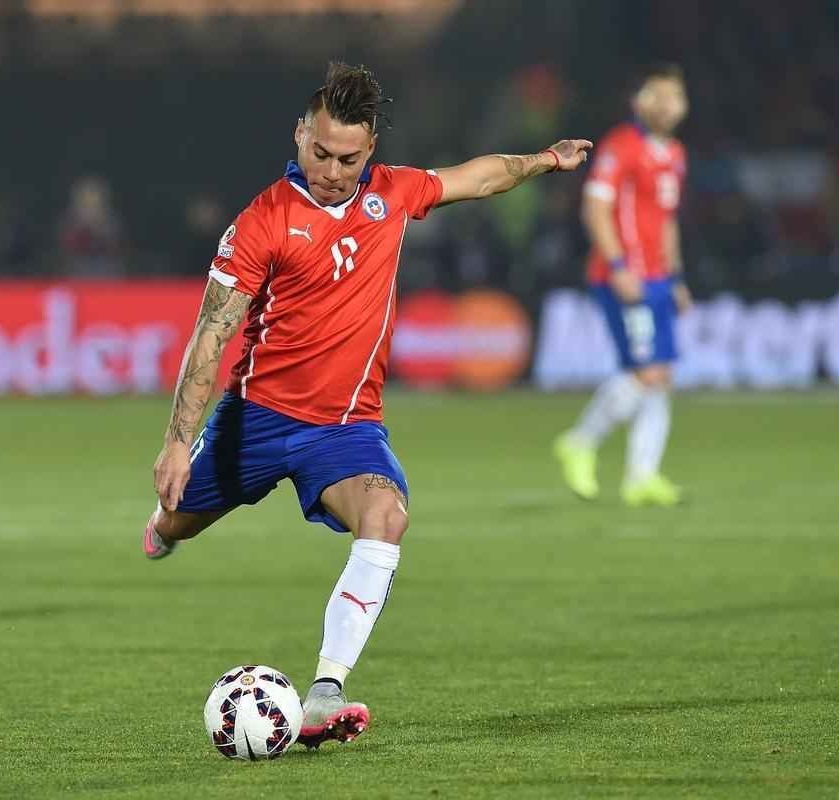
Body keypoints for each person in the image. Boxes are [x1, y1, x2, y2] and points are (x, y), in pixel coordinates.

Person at [144, 61, 591, 750]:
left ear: (369, 150)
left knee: (386, 515)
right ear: (298, 135)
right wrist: (177, 440)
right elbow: (213, 333)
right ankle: (165, 528)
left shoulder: (392, 196)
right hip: (255, 420)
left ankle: (326, 689)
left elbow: (479, 177)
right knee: (176, 523)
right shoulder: (262, 223)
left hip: (345, 429)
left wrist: (544, 160)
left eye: (345, 157)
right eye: (317, 151)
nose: (328, 168)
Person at [554, 64, 691, 507]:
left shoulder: (674, 155)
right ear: (641, 102)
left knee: (661, 376)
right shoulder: (621, 146)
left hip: (656, 278)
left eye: (675, 97)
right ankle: (580, 441)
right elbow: (594, 211)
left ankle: (641, 477)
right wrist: (617, 265)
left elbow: (666, 221)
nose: (668, 105)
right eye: (659, 96)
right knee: (646, 371)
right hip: (622, 276)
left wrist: (676, 277)